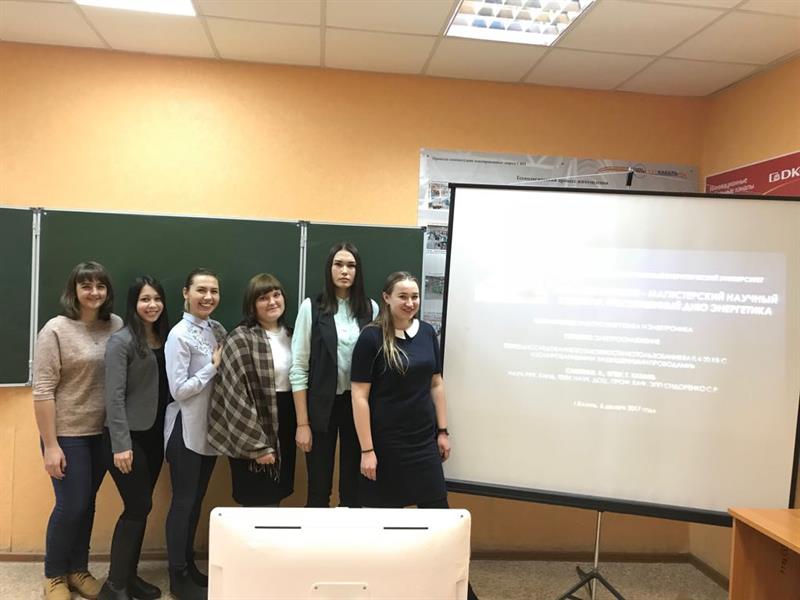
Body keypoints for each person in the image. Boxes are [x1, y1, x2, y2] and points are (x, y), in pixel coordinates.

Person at [350, 271, 479, 599]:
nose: (410, 303)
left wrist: (443, 431)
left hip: (422, 444)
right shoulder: (371, 338)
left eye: (415, 296)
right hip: (384, 446)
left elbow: (436, 383)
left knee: (441, 526)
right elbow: (359, 396)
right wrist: (367, 450)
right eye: (403, 296)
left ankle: (458, 591)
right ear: (386, 298)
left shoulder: (428, 333)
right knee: (382, 531)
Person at [33, 261, 122, 600]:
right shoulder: (55, 329)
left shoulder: (115, 325)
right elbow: (43, 390)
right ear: (74, 291)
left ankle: (78, 569)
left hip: (102, 432)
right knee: (71, 504)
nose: (94, 292)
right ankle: (54, 574)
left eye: (100, 286)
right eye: (86, 286)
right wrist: (51, 445)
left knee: (87, 503)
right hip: (67, 433)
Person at [290, 242, 378, 508]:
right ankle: (315, 536)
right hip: (321, 405)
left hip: (357, 406)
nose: (344, 271)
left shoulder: (370, 309)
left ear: (358, 271)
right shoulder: (312, 307)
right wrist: (302, 424)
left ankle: (349, 535)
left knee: (353, 489)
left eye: (351, 265)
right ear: (329, 269)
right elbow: (299, 367)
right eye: (338, 264)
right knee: (318, 488)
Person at [99, 276, 170, 600]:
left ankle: (129, 576)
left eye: (157, 298)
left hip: (155, 436)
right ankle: (114, 585)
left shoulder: (164, 337)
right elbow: (113, 397)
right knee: (138, 505)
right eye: (145, 299)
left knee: (141, 507)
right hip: (128, 439)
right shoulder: (121, 341)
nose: (152, 305)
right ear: (134, 303)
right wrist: (121, 445)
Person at [208, 273, 297, 506]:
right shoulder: (240, 338)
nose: (272, 302)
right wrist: (257, 447)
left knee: (276, 494)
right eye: (263, 298)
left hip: (285, 421)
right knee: (256, 501)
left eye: (276, 295)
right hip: (253, 426)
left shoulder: (292, 335)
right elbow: (234, 396)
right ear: (252, 305)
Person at [164, 268, 225, 600]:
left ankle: (188, 565)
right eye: (201, 290)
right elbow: (179, 390)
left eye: (214, 291)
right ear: (186, 293)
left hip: (208, 428)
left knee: (197, 501)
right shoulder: (179, 335)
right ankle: (177, 576)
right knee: (183, 502)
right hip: (184, 429)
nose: (208, 297)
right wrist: (212, 367)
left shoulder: (215, 329)